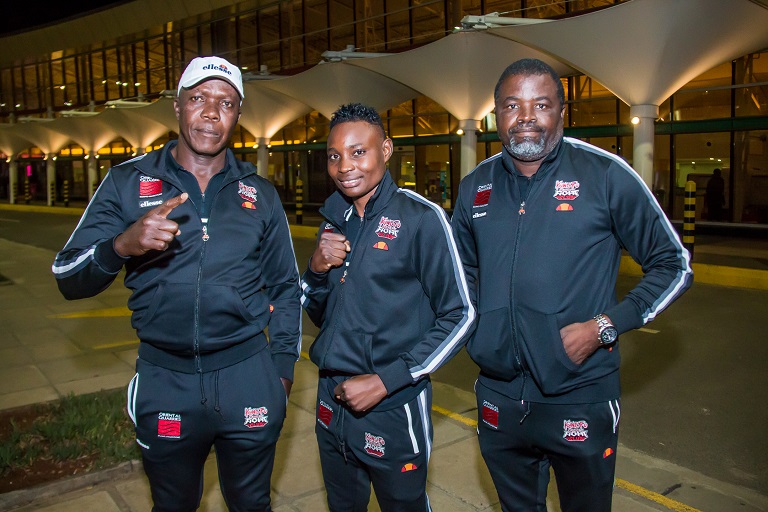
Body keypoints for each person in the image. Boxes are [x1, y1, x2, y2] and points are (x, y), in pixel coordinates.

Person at [52, 56, 302, 511]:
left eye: (225, 103)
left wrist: (280, 374)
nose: (211, 112)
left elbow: (286, 286)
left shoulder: (259, 193)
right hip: (166, 379)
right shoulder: (129, 182)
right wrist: (123, 245)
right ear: (177, 106)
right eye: (198, 99)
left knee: (251, 503)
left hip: (247, 377)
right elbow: (67, 275)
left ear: (238, 115)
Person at [451, 58, 693, 511]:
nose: (526, 117)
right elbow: (461, 276)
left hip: (580, 395)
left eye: (540, 104)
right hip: (498, 393)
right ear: (496, 118)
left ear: (562, 112)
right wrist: (479, 332)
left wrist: (604, 326)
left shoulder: (604, 175)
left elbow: (673, 264)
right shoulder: (475, 188)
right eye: (511, 105)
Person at [300, 103, 475, 511]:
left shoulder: (421, 219)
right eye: (334, 156)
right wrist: (315, 268)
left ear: (386, 150)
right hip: (331, 400)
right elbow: (320, 314)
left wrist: (387, 380)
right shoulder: (334, 219)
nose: (345, 166)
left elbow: (461, 314)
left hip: (393, 406)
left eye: (358, 151)